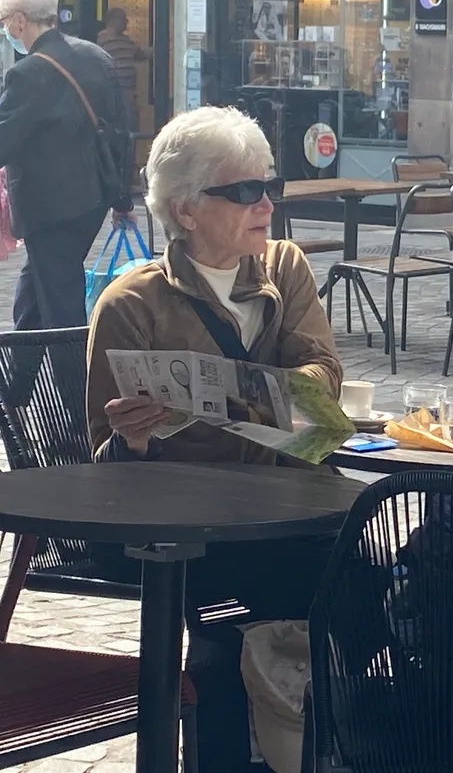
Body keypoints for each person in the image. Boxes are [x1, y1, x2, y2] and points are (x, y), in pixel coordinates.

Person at [85, 105, 342, 772]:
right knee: (228, 639)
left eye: (269, 186)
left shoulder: (284, 268)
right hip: (183, 528)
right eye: (243, 191)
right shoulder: (131, 302)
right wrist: (134, 437)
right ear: (187, 209)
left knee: (370, 576)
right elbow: (101, 465)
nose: (264, 204)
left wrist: (241, 393)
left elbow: (323, 377)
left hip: (286, 510)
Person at [0, 0, 132, 334]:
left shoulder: (27, 75)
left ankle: (77, 389)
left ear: (19, 20)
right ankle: (16, 391)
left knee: (61, 311)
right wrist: (122, 199)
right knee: (33, 299)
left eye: (3, 21)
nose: (5, 30)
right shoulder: (96, 55)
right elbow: (120, 129)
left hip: (50, 209)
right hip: (93, 201)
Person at [97, 6, 149, 133]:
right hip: (114, 90)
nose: (127, 22)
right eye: (124, 19)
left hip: (129, 91)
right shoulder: (102, 39)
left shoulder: (126, 40)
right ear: (114, 20)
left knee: (131, 126)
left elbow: (140, 54)